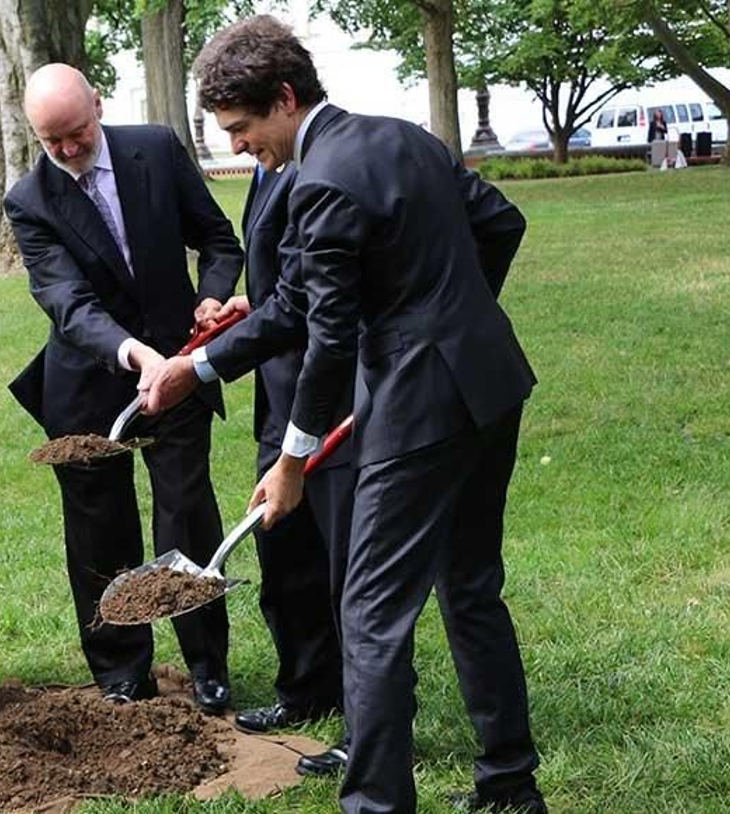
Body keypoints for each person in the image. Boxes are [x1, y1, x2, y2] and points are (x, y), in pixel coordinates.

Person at [180, 17, 543, 813]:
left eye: (243, 129)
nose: (240, 147)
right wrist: (454, 318)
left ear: (284, 97)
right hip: (491, 384)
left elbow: (328, 336)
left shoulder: (320, 182)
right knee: (471, 588)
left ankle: (376, 805)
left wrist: (291, 461)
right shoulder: (406, 138)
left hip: (421, 413)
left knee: (372, 615)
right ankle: (511, 787)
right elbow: (500, 224)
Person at [3, 64, 245, 712]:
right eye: (51, 142)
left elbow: (218, 239)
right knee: (98, 527)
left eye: (76, 134)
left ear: (98, 107)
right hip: (88, 381)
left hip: (181, 362)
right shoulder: (30, 200)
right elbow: (66, 301)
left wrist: (213, 295)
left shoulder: (158, 149)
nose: (68, 151)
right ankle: (120, 669)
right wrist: (131, 352)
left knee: (185, 512)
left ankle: (206, 665)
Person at [172, 158, 360, 776]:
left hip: (330, 389)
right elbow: (290, 281)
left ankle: (368, 725)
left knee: (349, 569)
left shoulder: (317, 167)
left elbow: (316, 302)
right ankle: (306, 688)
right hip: (280, 391)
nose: (234, 141)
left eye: (239, 127)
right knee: (283, 547)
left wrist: (200, 368)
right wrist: (251, 301)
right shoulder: (268, 166)